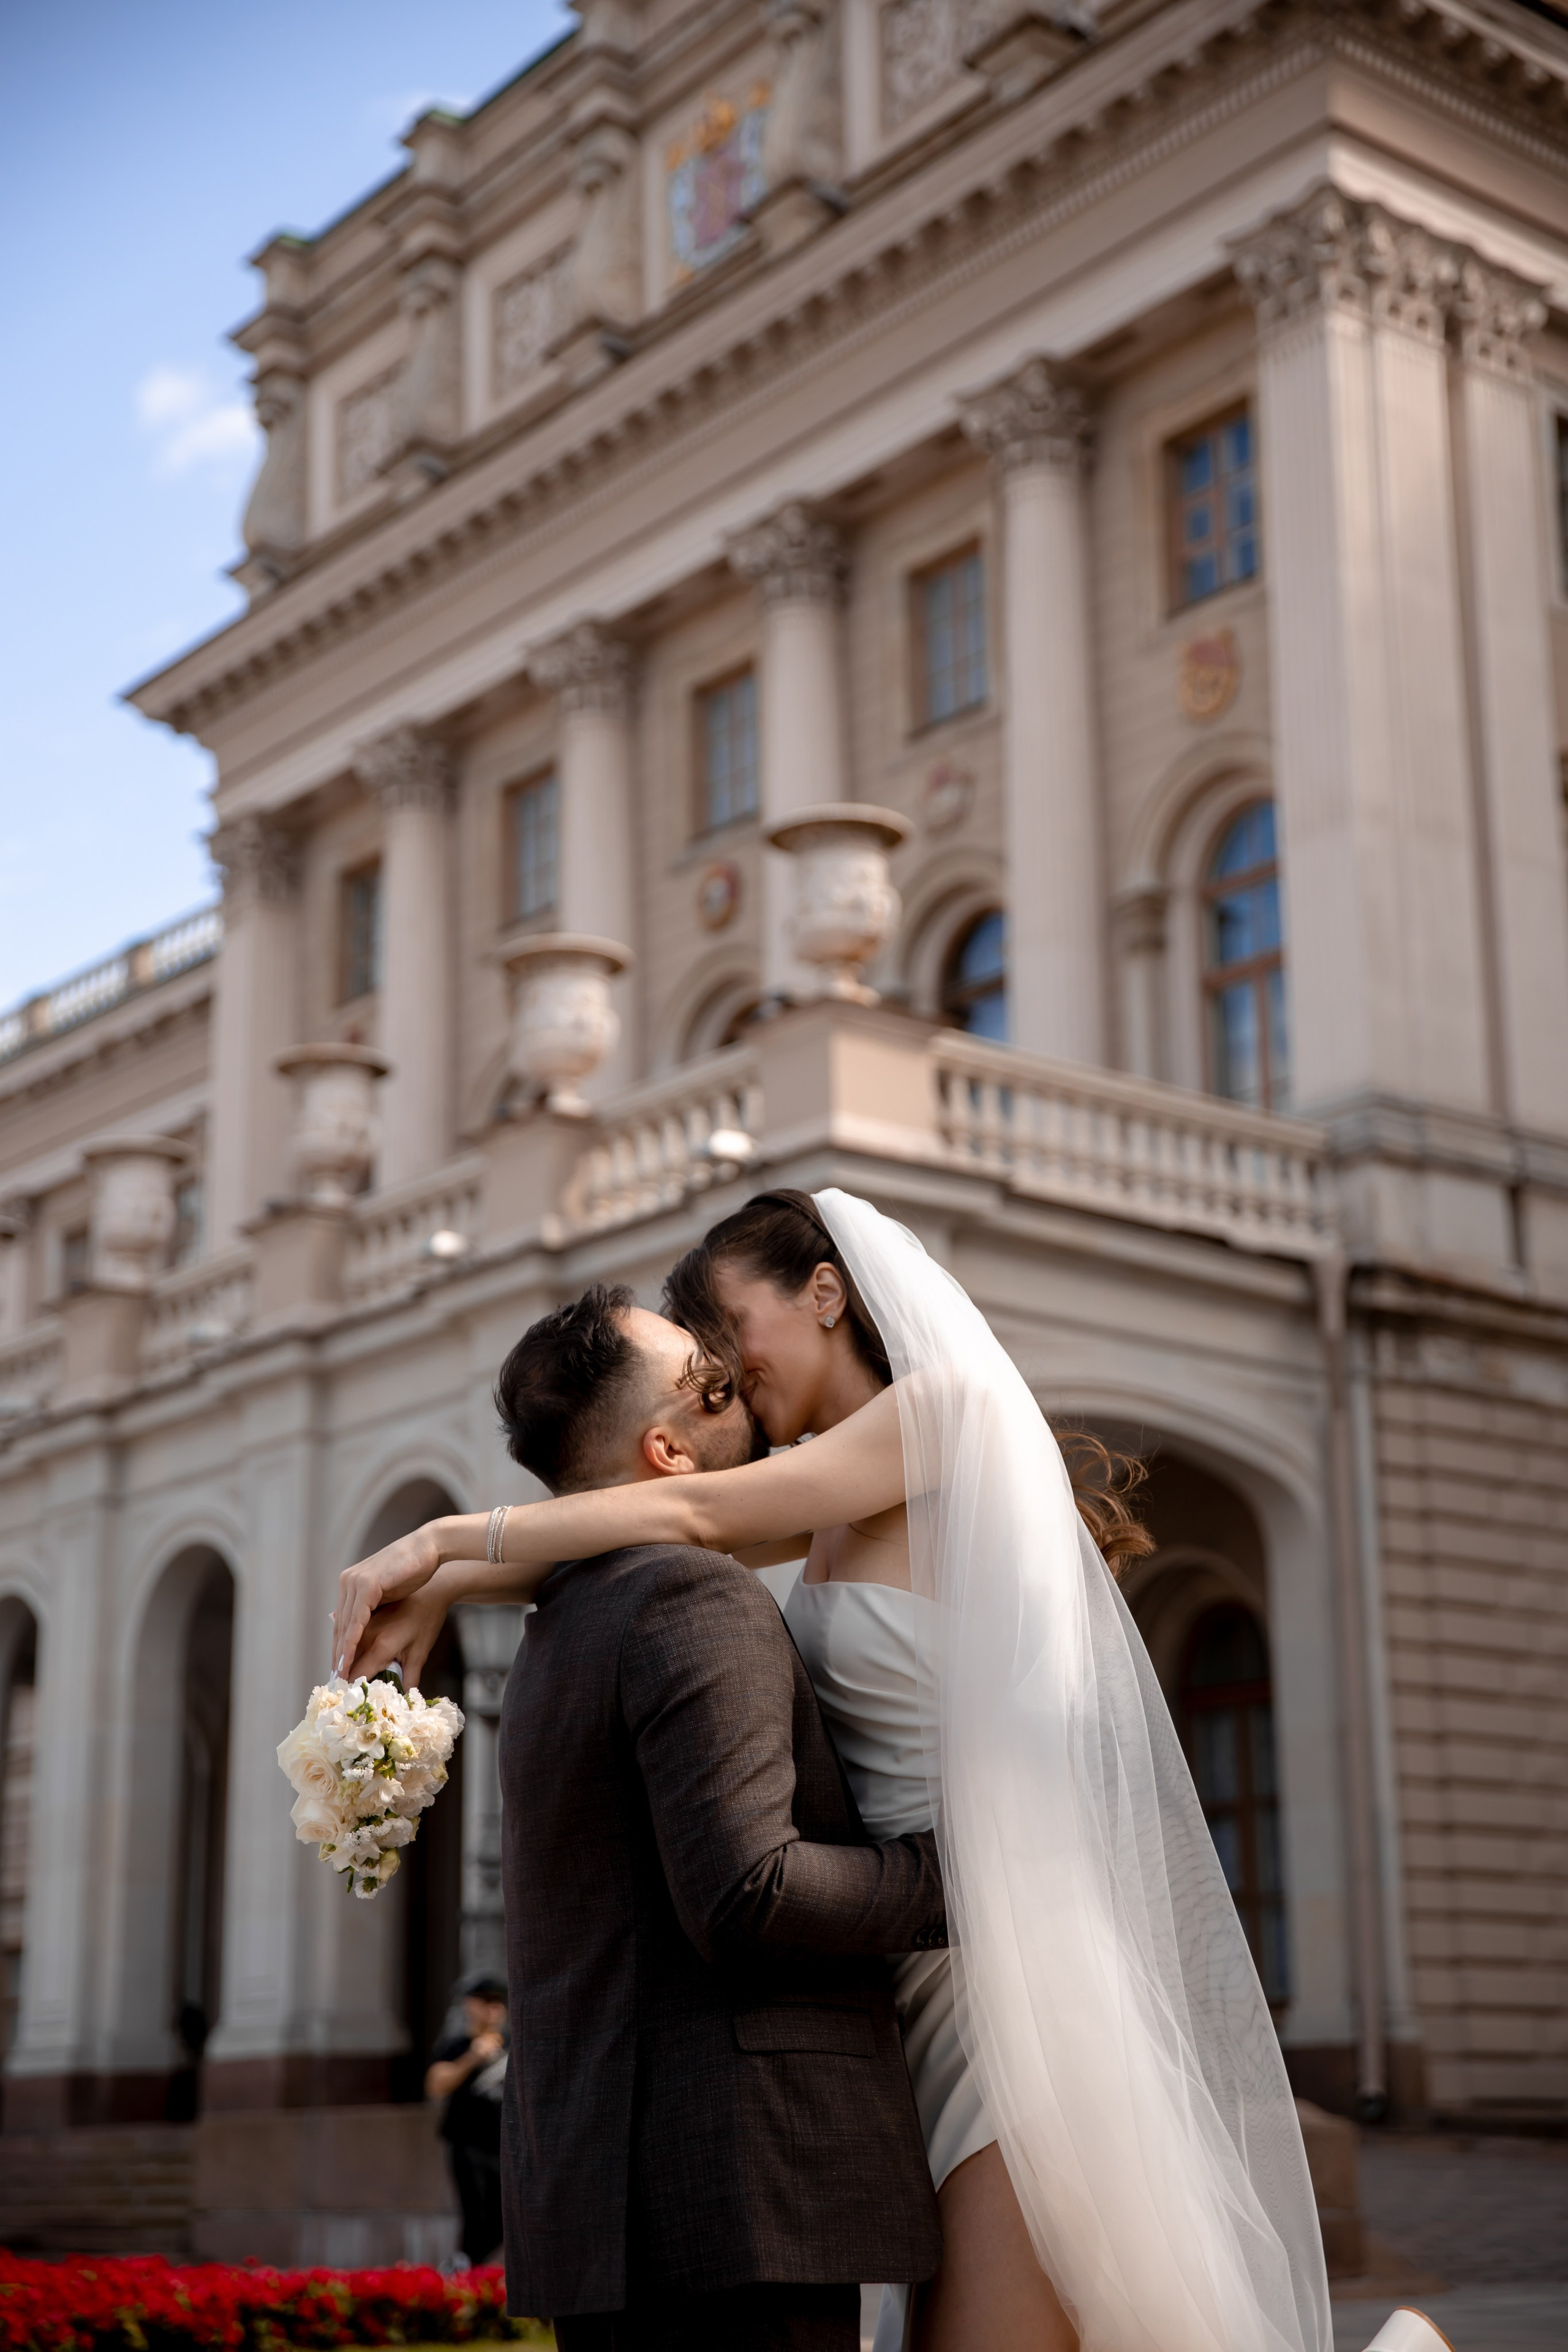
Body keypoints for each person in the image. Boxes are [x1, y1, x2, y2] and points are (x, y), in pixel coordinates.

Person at [335, 1188, 1449, 2352]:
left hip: (997, 1983)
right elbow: (646, 1522)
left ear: (824, 1292)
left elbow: (698, 1508)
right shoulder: (827, 1502)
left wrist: (448, 1540)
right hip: (889, 1986)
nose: (728, 1373)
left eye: (731, 1335)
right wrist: (460, 1587)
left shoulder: (944, 1415)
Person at [402, 1284, 948, 2349]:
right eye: (706, 1388)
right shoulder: (689, 1595)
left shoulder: (563, 1623)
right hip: (736, 2195)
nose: (734, 1387)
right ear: (667, 1452)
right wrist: (956, 1874)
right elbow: (752, 1891)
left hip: (613, 2198)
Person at [426, 1971, 510, 2268]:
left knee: (507, 2217)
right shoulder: (457, 2046)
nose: (495, 2009)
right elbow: (436, 2085)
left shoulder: (512, 2046)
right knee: (476, 2214)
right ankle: (465, 2270)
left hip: (507, 2145)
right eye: (486, 2001)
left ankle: (462, 2265)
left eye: (500, 2002)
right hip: (468, 2143)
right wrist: (472, 2058)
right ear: (469, 2005)